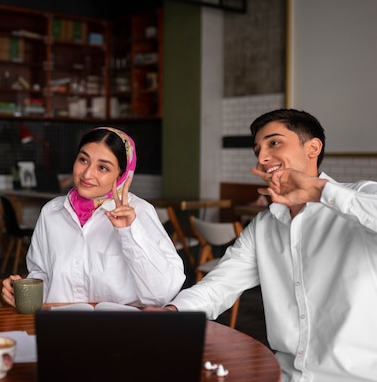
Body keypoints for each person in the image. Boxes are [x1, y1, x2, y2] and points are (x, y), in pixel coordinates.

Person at [148, 108, 377, 382]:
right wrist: (173, 314)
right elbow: (218, 287)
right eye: (258, 149)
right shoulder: (264, 226)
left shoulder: (360, 197)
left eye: (274, 143)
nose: (263, 157)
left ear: (313, 147)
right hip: (283, 376)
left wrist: (318, 190)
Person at [1, 127, 185, 307]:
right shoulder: (51, 212)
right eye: (83, 160)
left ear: (121, 176)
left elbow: (162, 295)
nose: (87, 174)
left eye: (103, 167)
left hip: (121, 330)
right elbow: (41, 272)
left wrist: (129, 232)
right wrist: (25, 290)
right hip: (60, 328)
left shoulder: (139, 212)